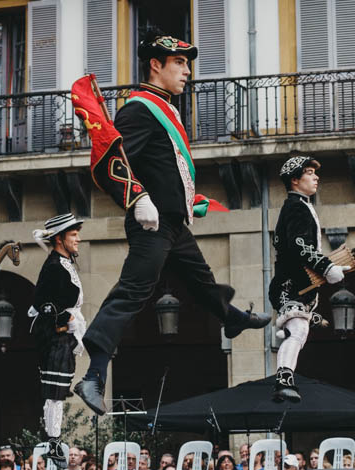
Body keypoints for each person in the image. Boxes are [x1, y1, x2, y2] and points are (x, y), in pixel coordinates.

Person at [73, 31, 270, 415]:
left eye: (187, 64)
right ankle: (93, 376)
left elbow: (164, 167)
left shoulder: (163, 107)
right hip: (152, 223)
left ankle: (231, 319)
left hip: (173, 222)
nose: (187, 71)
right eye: (179, 63)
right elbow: (115, 160)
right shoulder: (138, 109)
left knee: (202, 280)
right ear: (155, 65)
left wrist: (187, 200)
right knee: (131, 293)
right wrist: (137, 198)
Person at [268, 156, 348, 401]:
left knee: (298, 331)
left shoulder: (300, 205)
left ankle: (285, 359)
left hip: (295, 286)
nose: (316, 177)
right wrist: (326, 266)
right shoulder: (296, 207)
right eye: (310, 173)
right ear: (295, 180)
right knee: (299, 329)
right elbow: (298, 245)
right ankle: (283, 381)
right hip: (289, 286)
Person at [30, 214, 86, 468]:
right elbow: (41, 303)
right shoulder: (54, 266)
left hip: (65, 335)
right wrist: (66, 319)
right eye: (73, 234)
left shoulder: (63, 262)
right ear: (60, 239)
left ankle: (87, 383)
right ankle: (53, 443)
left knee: (59, 391)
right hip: (54, 336)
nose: (78, 239)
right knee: (54, 393)